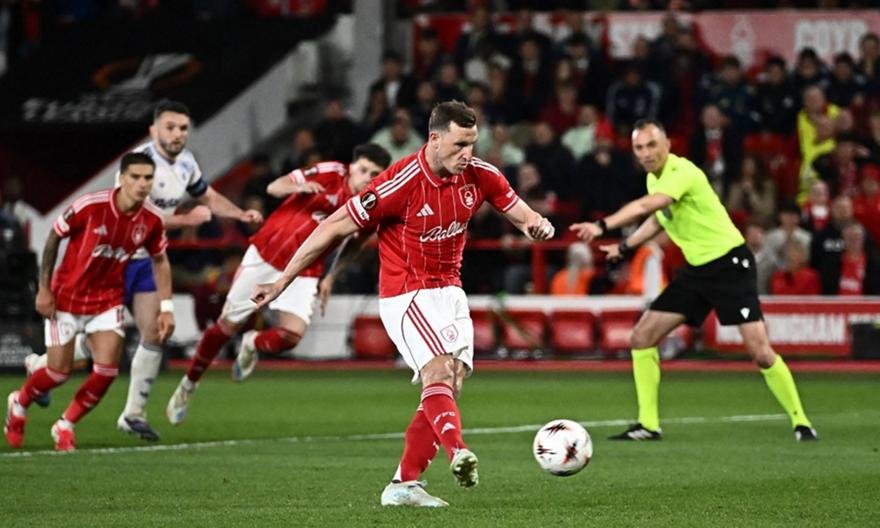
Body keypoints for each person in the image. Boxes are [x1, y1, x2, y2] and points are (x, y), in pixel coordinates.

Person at [251, 101, 555, 507]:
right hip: (407, 292)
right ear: (434, 139)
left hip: (450, 290)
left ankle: (403, 484)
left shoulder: (481, 174)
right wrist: (282, 281)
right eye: (460, 144)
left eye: (472, 143)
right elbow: (334, 226)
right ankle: (458, 451)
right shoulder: (399, 183)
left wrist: (537, 224)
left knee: (452, 381)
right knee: (438, 371)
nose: (468, 153)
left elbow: (519, 212)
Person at [26, 100, 263, 442]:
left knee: (153, 332)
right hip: (111, 260)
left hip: (145, 261)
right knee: (94, 343)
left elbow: (208, 196)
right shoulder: (140, 165)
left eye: (183, 128)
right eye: (170, 127)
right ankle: (42, 367)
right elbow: (138, 216)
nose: (178, 134)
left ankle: (133, 414)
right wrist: (185, 220)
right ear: (154, 130)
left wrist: (239, 214)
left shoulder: (187, 163)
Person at [570, 119, 817, 442]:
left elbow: (648, 206)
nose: (646, 153)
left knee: (760, 351)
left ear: (667, 145)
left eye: (651, 145)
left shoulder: (682, 171)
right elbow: (658, 219)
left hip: (730, 265)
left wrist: (602, 226)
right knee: (642, 337)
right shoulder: (654, 180)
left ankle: (801, 422)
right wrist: (625, 246)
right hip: (697, 270)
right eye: (639, 148)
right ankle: (648, 425)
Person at [165, 144, 392, 425]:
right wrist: (298, 187)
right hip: (267, 254)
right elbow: (274, 187)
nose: (367, 177)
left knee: (292, 335)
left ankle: (252, 342)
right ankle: (187, 386)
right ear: (352, 166)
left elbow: (355, 244)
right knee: (226, 326)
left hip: (305, 270)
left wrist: (331, 276)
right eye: (363, 169)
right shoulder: (330, 172)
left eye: (375, 174)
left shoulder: (372, 205)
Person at [4, 153, 174, 451]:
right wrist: (44, 289)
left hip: (107, 300)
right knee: (58, 372)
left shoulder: (151, 220)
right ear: (122, 179)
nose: (142, 183)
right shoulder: (91, 206)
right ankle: (19, 403)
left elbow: (160, 260)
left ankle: (65, 425)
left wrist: (167, 307)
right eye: (135, 177)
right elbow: (54, 238)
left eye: (148, 178)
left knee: (106, 371)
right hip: (66, 298)